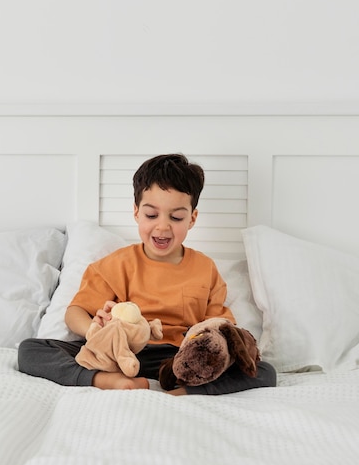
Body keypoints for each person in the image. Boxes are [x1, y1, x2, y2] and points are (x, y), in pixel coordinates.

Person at [18, 153, 276, 395]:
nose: (162, 226)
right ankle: (106, 381)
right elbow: (74, 313)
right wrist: (95, 330)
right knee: (31, 350)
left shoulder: (205, 268)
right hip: (121, 353)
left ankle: (186, 391)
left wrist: (207, 351)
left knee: (263, 371)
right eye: (151, 215)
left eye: (176, 217)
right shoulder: (116, 264)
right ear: (136, 212)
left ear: (192, 219)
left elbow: (218, 327)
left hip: (179, 358)